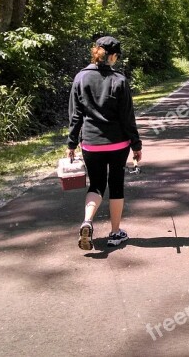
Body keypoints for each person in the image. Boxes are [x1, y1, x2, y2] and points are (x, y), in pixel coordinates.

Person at [67, 36, 142, 250]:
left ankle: (87, 221)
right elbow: (128, 118)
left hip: (91, 143)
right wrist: (136, 146)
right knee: (116, 185)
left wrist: (71, 144)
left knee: (97, 184)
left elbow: (75, 116)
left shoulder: (80, 78)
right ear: (113, 55)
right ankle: (115, 233)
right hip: (118, 144)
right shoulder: (120, 80)